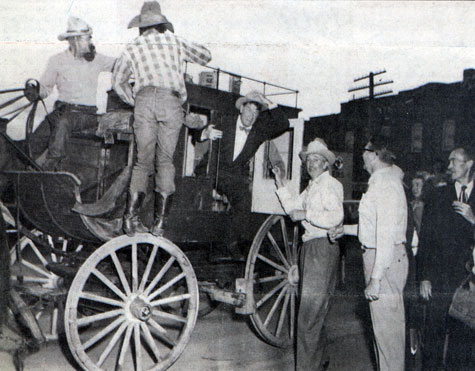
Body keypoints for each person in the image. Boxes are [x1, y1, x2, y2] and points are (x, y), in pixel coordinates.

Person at [112, 1, 212, 237]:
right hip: (171, 102)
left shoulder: (133, 46)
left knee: (142, 162)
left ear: (141, 26)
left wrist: (135, 101)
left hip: (144, 101)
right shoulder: (174, 41)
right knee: (165, 161)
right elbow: (206, 56)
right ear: (162, 24)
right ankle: (160, 223)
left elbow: (117, 82)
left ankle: (130, 218)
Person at [330, 134, 408, 371]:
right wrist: (346, 229)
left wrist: (375, 279)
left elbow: (384, 236)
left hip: (383, 261)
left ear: (374, 155)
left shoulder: (384, 184)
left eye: (364, 152)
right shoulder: (383, 181)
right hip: (384, 257)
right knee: (385, 336)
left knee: (388, 339)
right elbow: (375, 229)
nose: (361, 157)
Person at [273, 138, 343, 371]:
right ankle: (319, 361)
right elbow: (293, 208)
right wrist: (280, 183)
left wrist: (307, 214)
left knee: (308, 317)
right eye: (309, 160)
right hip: (310, 249)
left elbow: (335, 217)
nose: (311, 163)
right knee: (313, 312)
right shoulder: (312, 187)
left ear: (326, 164)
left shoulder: (331, 185)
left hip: (322, 249)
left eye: (316, 159)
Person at [200, 90, 290, 261]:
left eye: (256, 112)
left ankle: (231, 243)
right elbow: (200, 133)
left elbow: (283, 124)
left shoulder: (259, 131)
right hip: (210, 171)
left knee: (244, 199)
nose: (251, 115)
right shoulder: (224, 121)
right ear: (241, 109)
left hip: (232, 177)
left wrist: (269, 102)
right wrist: (206, 133)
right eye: (248, 110)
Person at [30, 16, 116, 170]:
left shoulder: (97, 59)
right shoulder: (57, 60)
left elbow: (120, 65)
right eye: (86, 39)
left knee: (63, 123)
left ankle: (51, 166)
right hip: (61, 111)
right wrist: (35, 92)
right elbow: (46, 87)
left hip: (86, 115)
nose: (90, 42)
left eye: (89, 38)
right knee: (34, 141)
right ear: (75, 40)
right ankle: (23, 173)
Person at [418, 146, 475, 370]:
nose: (449, 166)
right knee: (433, 336)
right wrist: (424, 276)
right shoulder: (439, 195)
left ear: (469, 164)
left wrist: (473, 219)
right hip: (439, 278)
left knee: (463, 343)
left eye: (454, 161)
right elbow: (426, 239)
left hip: (468, 282)